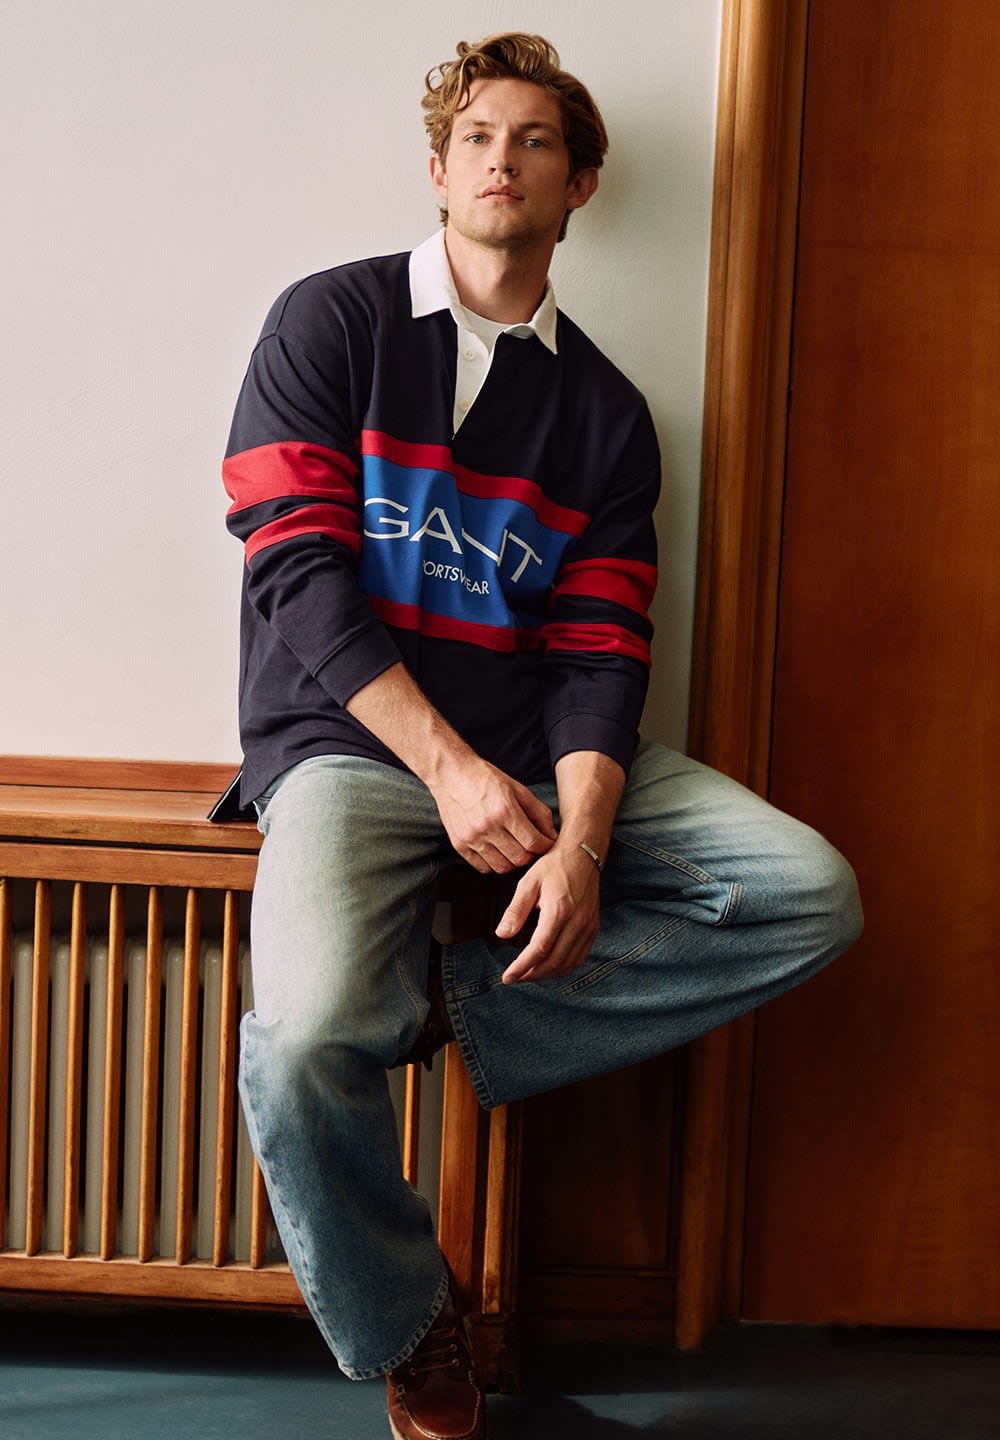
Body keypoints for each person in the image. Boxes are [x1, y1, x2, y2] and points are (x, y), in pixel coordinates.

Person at [220, 32, 862, 1440]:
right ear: (440, 170)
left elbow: (599, 650)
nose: (504, 159)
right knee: (312, 1031)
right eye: (480, 139)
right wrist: (448, 775)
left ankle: (458, 1006)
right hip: (351, 746)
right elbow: (295, 572)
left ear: (579, 185)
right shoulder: (327, 323)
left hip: (534, 749)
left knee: (808, 890)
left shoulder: (608, 415)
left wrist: (578, 842)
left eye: (537, 142)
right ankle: (409, 1320)